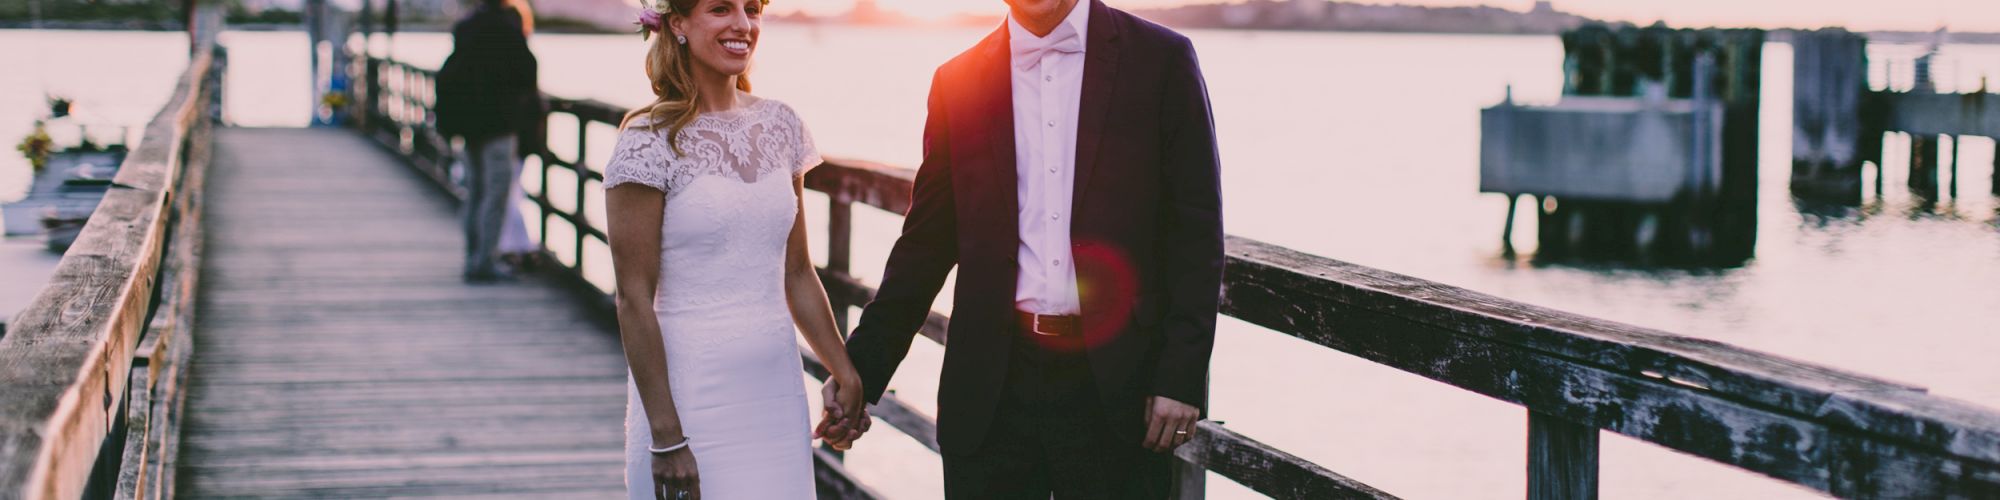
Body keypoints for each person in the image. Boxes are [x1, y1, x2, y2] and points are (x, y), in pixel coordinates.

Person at [829, 0, 1225, 497]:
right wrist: (861, 369)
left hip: (1120, 387)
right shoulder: (958, 80)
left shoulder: (1162, 59)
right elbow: (925, 245)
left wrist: (1180, 377)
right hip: (992, 386)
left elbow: (1196, 230)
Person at [600, 1, 865, 499]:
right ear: (677, 23)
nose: (742, 25)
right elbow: (633, 298)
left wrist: (842, 369)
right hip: (687, 401)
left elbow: (797, 272)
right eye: (721, 8)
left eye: (751, 9)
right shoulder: (646, 141)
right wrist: (666, 438)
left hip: (775, 399)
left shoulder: (782, 125)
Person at [435, 0, 539, 282]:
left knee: (475, 193)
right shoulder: (508, 28)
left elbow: (450, 74)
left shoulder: (467, 27)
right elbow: (527, 72)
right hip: (499, 125)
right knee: (496, 195)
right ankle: (486, 261)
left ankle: (472, 258)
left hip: (469, 126)